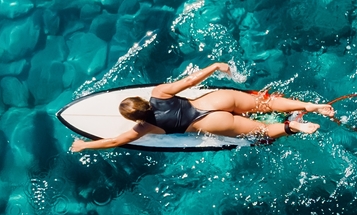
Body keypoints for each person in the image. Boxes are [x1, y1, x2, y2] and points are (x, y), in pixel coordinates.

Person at [70, 62, 334, 151]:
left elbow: (114, 141)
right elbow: (190, 80)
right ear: (141, 101)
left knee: (262, 133)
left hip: (209, 123)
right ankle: (313, 105)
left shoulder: (143, 129)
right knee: (265, 102)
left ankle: (294, 127)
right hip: (216, 100)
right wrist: (216, 66)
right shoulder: (158, 92)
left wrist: (84, 144)